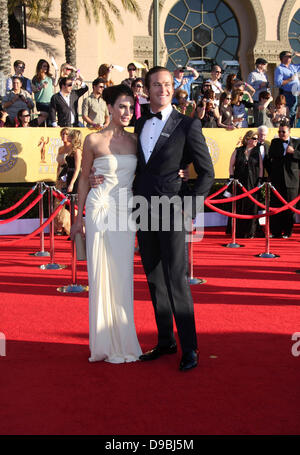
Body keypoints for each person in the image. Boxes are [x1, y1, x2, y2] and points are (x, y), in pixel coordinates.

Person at [133, 66, 214, 371]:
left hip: (173, 211)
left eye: (167, 84)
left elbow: (207, 172)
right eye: (157, 85)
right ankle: (166, 340)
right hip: (144, 211)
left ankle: (190, 347)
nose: (163, 89)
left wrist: (189, 208)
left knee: (176, 280)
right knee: (154, 279)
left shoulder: (187, 125)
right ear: (147, 89)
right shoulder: (139, 124)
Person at [71, 84, 143, 363]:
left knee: (123, 275)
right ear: (110, 108)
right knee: (101, 276)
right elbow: (84, 179)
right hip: (100, 209)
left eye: (130, 107)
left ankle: (123, 339)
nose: (126, 112)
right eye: (121, 107)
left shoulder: (136, 142)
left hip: (125, 212)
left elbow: (144, 177)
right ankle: (102, 343)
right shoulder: (93, 140)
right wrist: (78, 219)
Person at [265, 121, 300, 238]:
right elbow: (270, 157)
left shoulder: (297, 142)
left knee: (290, 207)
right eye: (279, 131)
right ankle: (275, 231)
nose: (281, 134)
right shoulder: (275, 143)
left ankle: (288, 231)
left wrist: (294, 152)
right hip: (277, 180)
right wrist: (272, 174)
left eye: (283, 132)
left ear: (289, 132)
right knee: (276, 205)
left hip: (292, 180)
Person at [227, 130, 263, 238]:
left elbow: (261, 167)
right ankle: (238, 231)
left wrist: (260, 180)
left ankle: (251, 231)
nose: (257, 140)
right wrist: (232, 177)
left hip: (253, 182)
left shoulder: (257, 152)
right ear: (248, 139)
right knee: (239, 205)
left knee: (252, 206)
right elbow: (231, 165)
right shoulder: (238, 151)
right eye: (255, 138)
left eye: (257, 139)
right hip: (239, 182)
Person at [274, 50, 300, 127]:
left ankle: (290, 128)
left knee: (294, 112)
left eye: (290, 56)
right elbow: (278, 83)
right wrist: (290, 79)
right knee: (289, 113)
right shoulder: (279, 69)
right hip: (287, 93)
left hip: (295, 93)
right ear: (283, 58)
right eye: (288, 56)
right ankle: (288, 128)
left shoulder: (292, 67)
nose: (290, 57)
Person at [54, 128, 72, 235]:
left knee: (71, 203)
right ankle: (60, 226)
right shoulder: (61, 149)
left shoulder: (73, 149)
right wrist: (57, 177)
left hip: (69, 177)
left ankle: (69, 227)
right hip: (60, 177)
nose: (64, 136)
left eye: (66, 134)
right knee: (58, 202)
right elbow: (58, 165)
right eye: (62, 134)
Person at [247, 58, 269, 125]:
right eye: (264, 64)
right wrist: (259, 86)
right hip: (257, 99)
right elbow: (249, 87)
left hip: (265, 100)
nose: (265, 66)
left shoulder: (265, 75)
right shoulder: (252, 74)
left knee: (264, 118)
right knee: (258, 118)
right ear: (260, 65)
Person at [64, 129, 83, 194]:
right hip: (69, 174)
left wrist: (72, 183)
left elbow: (77, 168)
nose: (67, 136)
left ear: (73, 138)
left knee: (73, 198)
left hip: (75, 177)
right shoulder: (72, 149)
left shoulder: (77, 151)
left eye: (69, 135)